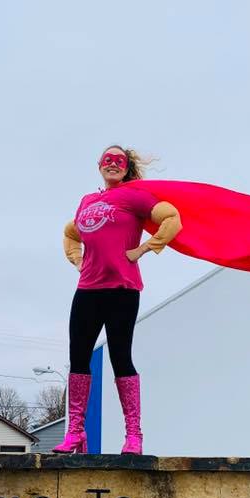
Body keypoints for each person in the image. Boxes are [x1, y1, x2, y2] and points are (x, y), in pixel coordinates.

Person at [53, 145, 182, 455]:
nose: (112, 164)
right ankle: (75, 433)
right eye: (107, 160)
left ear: (126, 167)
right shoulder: (87, 201)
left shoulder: (134, 196)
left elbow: (172, 218)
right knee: (78, 357)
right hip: (87, 289)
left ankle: (134, 435)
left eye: (119, 161)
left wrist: (143, 249)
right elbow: (71, 233)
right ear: (99, 165)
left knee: (120, 358)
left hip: (122, 289)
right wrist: (77, 260)